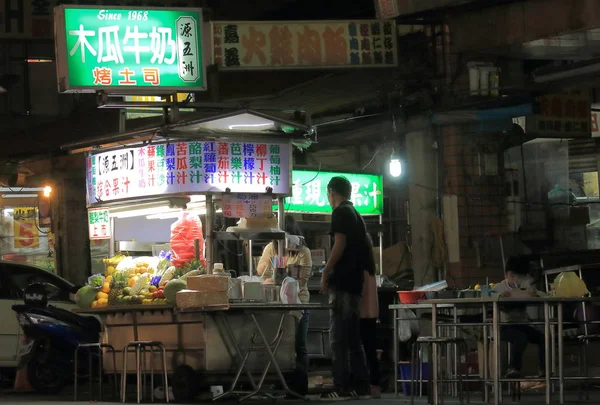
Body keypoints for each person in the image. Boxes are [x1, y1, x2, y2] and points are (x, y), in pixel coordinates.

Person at [320, 176, 371, 400]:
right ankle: (361, 387)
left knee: (338, 338)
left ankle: (341, 387)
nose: (328, 198)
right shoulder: (356, 214)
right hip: (355, 283)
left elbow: (339, 244)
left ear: (332, 192)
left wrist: (325, 270)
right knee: (353, 338)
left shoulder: (340, 212)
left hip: (342, 283)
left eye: (328, 194)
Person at [256, 214, 312, 394]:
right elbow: (261, 272)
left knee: (298, 344)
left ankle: (300, 385)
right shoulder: (271, 248)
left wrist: (280, 271)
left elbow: (301, 280)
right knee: (279, 345)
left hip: (299, 303)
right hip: (275, 304)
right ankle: (280, 382)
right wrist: (277, 259)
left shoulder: (303, 251)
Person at [494, 256, 546, 378]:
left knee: (543, 338)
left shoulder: (526, 286)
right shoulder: (499, 287)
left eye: (519, 276)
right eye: (512, 276)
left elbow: (542, 295)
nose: (516, 279)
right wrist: (500, 296)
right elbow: (490, 296)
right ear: (506, 274)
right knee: (520, 337)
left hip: (522, 324)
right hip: (505, 326)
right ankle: (513, 368)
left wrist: (536, 295)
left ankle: (543, 369)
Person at [360, 234, 381, 398]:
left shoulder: (358, 267)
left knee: (359, 350)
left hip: (361, 313)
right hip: (372, 313)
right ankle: (375, 385)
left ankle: (364, 384)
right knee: (371, 351)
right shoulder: (371, 267)